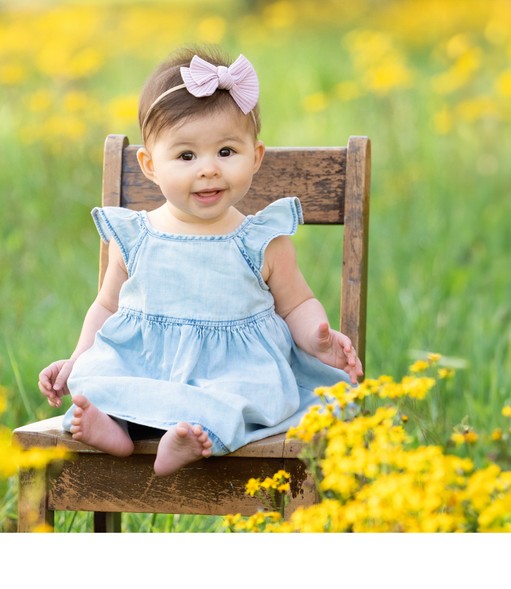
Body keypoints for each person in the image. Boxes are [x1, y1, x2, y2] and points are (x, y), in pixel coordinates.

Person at [38, 46, 363, 476]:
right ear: (150, 165)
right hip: (146, 366)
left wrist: (318, 339)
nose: (208, 169)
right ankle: (112, 425)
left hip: (231, 371)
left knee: (244, 395)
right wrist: (77, 357)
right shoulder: (134, 236)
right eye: (186, 156)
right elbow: (106, 307)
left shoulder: (263, 240)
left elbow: (297, 304)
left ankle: (190, 435)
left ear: (256, 157)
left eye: (227, 152)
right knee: (101, 379)